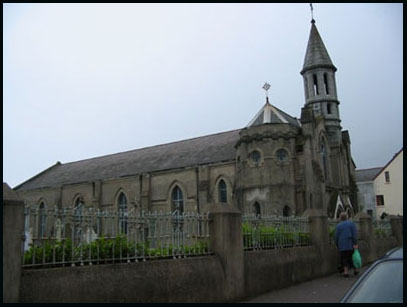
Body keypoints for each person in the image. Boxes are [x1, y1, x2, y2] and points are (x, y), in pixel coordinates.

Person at [334, 212, 359, 278]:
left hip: (342, 244)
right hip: (350, 244)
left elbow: (336, 236)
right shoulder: (351, 224)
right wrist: (355, 243)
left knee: (344, 258)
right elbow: (354, 235)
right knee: (352, 257)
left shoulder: (338, 226)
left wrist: (336, 244)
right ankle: (355, 270)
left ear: (340, 218)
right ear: (347, 217)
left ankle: (346, 272)